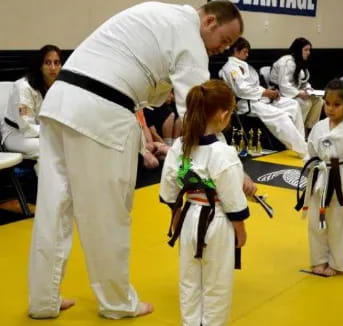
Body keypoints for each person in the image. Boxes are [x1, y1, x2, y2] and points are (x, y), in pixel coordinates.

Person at [28, 1, 243, 319]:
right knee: (108, 214)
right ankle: (117, 302)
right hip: (100, 111)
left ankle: (43, 300)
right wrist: (229, 167)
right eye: (224, 41)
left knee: (53, 206)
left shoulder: (160, 12)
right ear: (210, 21)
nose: (222, 50)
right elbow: (201, 116)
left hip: (60, 101)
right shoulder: (190, 40)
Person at [160, 80, 249, 326]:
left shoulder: (180, 145)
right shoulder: (223, 152)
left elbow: (169, 187)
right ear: (223, 114)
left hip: (189, 217)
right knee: (217, 285)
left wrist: (175, 214)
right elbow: (231, 198)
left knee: (189, 280)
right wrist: (240, 229)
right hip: (218, 221)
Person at [296, 78, 343, 277]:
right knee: (316, 221)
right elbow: (309, 151)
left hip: (341, 178)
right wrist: (309, 166)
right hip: (320, 177)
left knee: (339, 224)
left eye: (337, 105)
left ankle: (337, 263)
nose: (330, 109)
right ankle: (318, 260)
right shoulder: (320, 127)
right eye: (327, 103)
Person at [220, 37, 307, 157]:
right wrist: (265, 92)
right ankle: (303, 150)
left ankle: (300, 142)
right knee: (282, 116)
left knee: (293, 105)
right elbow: (242, 90)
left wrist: (268, 92)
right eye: (245, 51)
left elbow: (254, 85)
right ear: (235, 50)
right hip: (246, 103)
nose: (247, 54)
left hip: (260, 98)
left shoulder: (244, 66)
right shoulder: (230, 68)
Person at [0, 45, 62, 166]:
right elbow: (27, 127)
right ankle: (46, 184)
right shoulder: (23, 88)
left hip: (41, 132)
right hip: (16, 134)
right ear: (40, 66)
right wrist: (54, 134)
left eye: (57, 62)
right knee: (50, 149)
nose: (53, 68)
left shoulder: (58, 87)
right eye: (48, 63)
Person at [269, 37, 323, 130]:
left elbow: (303, 80)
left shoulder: (299, 61)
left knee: (319, 101)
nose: (308, 52)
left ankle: (309, 129)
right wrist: (299, 93)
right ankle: (298, 130)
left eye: (309, 50)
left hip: (294, 91)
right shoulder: (285, 62)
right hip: (279, 93)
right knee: (305, 103)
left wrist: (308, 88)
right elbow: (284, 85)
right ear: (298, 50)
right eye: (306, 50)